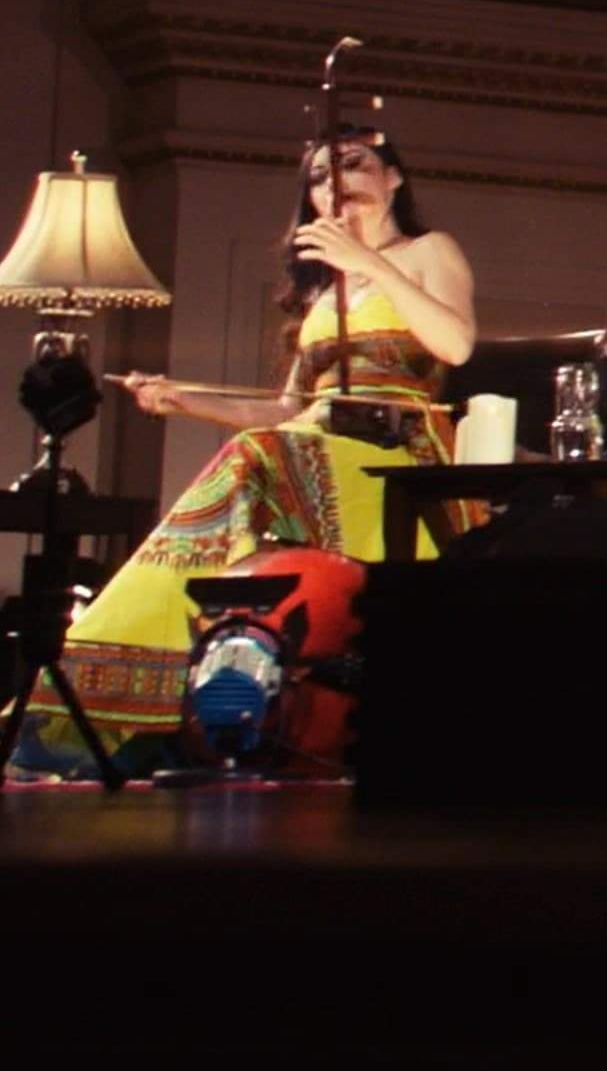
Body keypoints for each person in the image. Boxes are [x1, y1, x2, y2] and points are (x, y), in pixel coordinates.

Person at [9, 127, 479, 779]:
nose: (335, 182)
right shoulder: (323, 295)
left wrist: (372, 264)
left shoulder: (430, 251)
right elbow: (288, 409)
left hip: (396, 451)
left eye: (353, 164)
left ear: (394, 178)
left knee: (252, 457)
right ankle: (174, 675)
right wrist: (185, 400)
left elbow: (454, 345)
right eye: (319, 175)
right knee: (249, 450)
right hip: (311, 445)